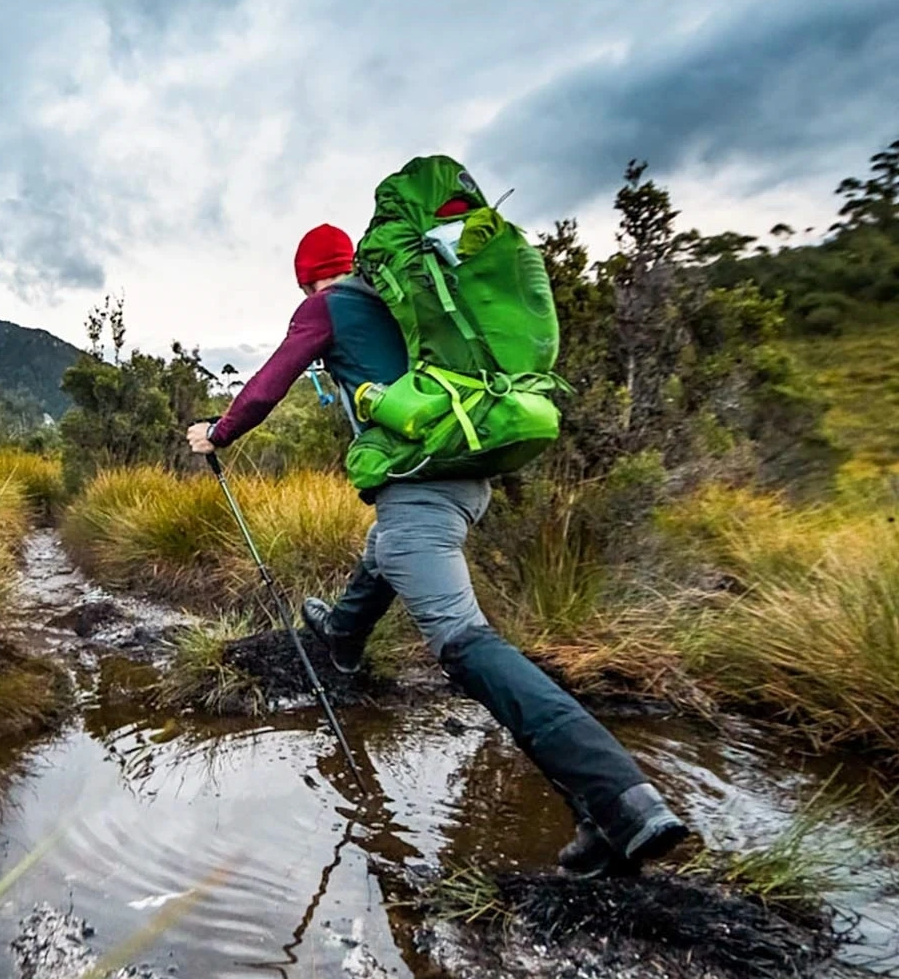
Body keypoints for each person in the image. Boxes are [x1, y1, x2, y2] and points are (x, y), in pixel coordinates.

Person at [186, 223, 688, 878]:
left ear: (309, 276)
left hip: (418, 490)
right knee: (387, 548)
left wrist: (218, 432)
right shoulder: (406, 304)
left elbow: (270, 381)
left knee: (462, 641)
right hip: (468, 480)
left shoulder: (326, 305)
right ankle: (341, 636)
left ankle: (619, 800)